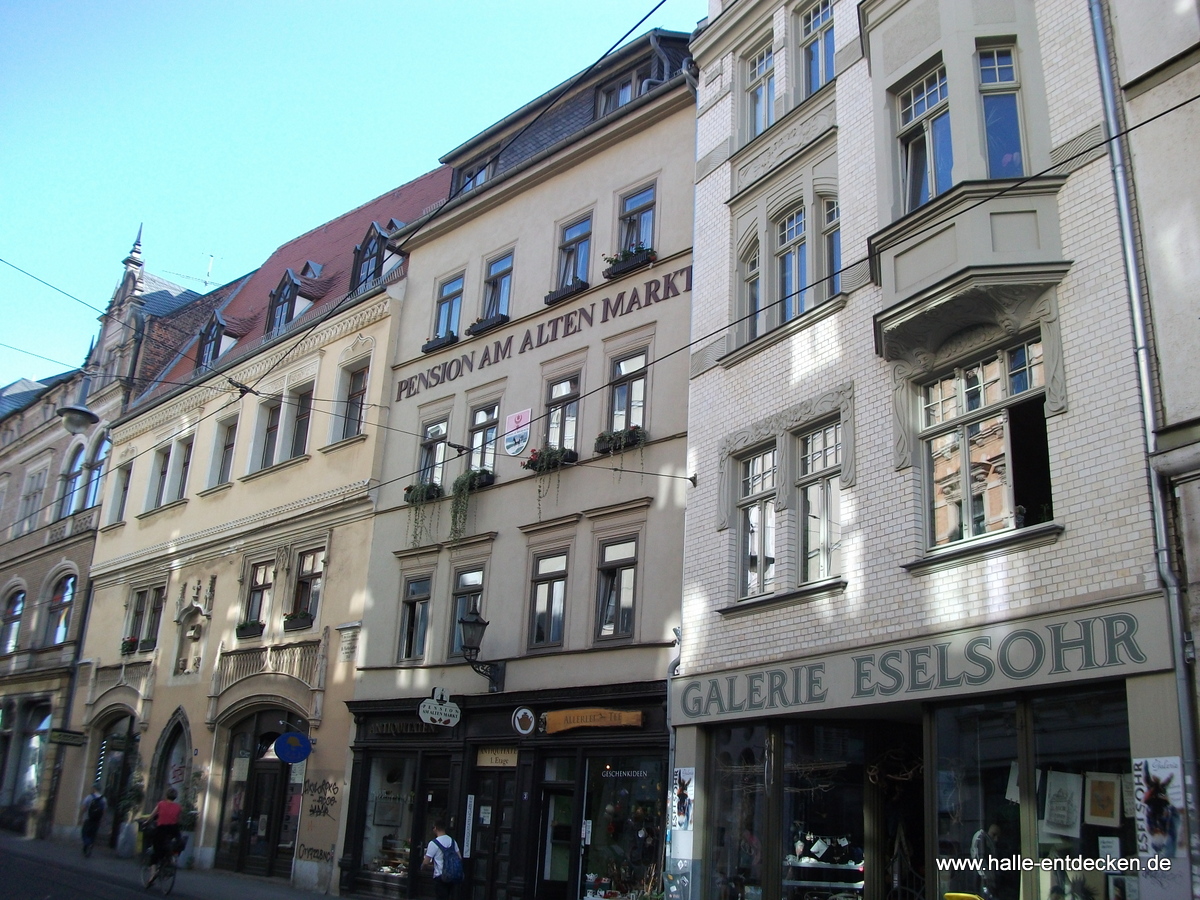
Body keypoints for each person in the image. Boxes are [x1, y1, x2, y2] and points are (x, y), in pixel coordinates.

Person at [423, 818, 462, 900]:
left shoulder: (433, 843)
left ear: (435, 828)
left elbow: (426, 861)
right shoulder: (452, 841)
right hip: (452, 876)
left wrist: (422, 866)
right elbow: (459, 857)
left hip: (440, 876)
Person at [146, 787, 183, 868]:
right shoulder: (178, 807)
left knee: (156, 849)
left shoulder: (161, 804)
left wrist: (147, 821)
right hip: (173, 829)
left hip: (162, 829)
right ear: (175, 797)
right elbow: (179, 819)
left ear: (166, 796)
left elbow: (152, 815)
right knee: (172, 842)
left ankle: (152, 875)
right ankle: (171, 858)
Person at [970, 820, 1001, 899]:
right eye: (993, 835)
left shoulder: (991, 846)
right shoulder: (980, 839)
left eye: (998, 837)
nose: (996, 839)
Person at [80, 784, 106, 856]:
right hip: (96, 820)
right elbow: (104, 811)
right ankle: (90, 845)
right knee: (93, 834)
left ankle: (87, 844)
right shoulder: (103, 799)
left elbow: (84, 808)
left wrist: (81, 816)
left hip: (88, 819)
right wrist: (102, 819)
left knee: (84, 833)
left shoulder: (89, 797)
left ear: (94, 789)